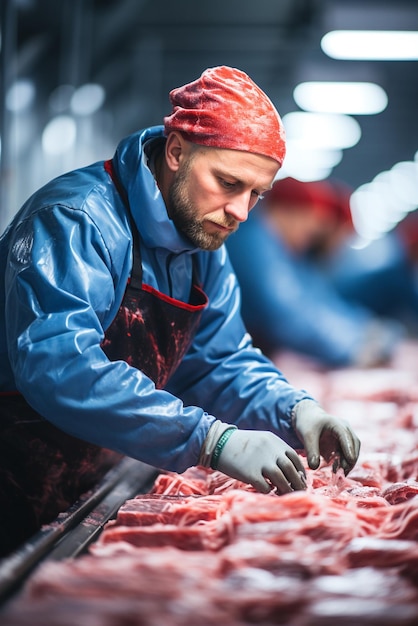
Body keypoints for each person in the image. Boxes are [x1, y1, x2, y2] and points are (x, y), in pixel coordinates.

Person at [0, 66, 360, 556]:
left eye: (256, 194)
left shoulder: (203, 245)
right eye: (228, 182)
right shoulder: (77, 220)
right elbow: (58, 365)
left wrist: (295, 410)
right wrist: (211, 439)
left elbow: (219, 361)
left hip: (79, 484)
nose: (241, 212)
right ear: (175, 152)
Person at [226, 176, 402, 367]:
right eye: (309, 232)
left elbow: (318, 300)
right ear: (287, 211)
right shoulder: (254, 242)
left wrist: (363, 332)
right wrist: (352, 350)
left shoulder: (284, 251)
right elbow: (286, 314)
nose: (308, 241)